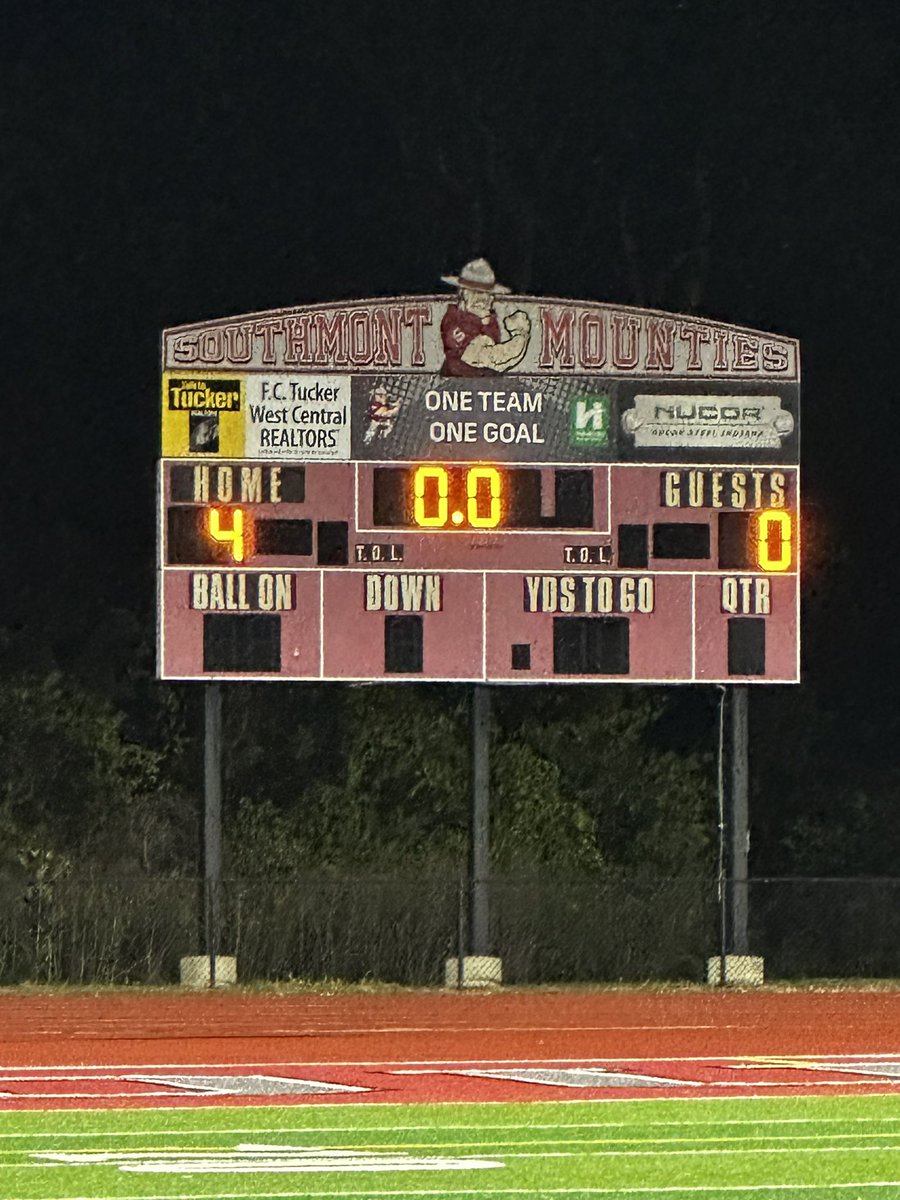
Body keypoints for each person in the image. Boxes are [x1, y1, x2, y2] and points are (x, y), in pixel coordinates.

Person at [439, 258, 531, 376]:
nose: (482, 299)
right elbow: (487, 357)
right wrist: (520, 336)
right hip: (456, 387)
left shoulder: (489, 320)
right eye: (475, 292)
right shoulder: (454, 321)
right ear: (463, 293)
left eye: (486, 293)